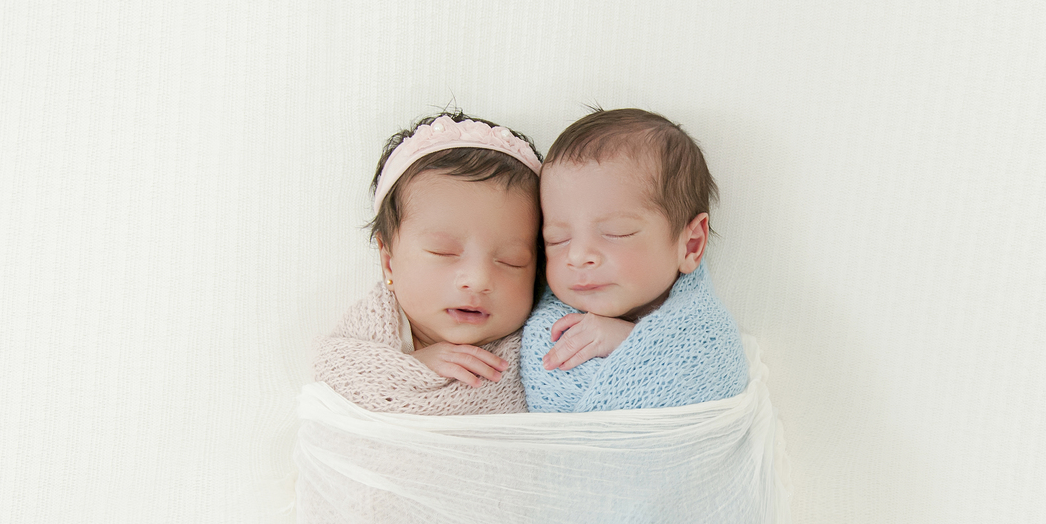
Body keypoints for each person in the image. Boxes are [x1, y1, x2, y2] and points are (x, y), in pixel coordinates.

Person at [521, 108, 748, 412]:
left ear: (690, 245)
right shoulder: (546, 329)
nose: (577, 256)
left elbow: (714, 379)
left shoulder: (706, 335)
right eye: (557, 240)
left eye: (617, 232)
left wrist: (631, 340)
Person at [314, 111, 542, 415]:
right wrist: (410, 368)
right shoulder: (375, 326)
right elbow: (332, 376)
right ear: (389, 262)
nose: (478, 279)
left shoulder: (538, 342)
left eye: (511, 261)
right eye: (443, 252)